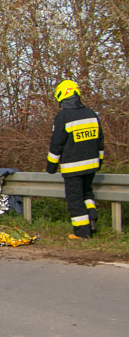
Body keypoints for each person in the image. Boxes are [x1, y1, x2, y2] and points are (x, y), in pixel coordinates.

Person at [46, 80, 104, 240]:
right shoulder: (91, 114)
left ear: (62, 95)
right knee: (87, 193)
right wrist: (99, 161)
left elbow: (57, 143)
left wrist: (51, 166)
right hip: (92, 165)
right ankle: (91, 217)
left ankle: (82, 232)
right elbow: (100, 140)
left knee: (75, 199)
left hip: (73, 167)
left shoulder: (63, 116)